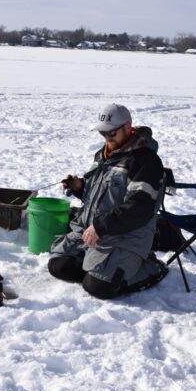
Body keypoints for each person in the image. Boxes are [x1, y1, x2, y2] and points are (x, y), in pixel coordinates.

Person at [48, 103, 168, 299]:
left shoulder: (145, 161)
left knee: (98, 287)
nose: (106, 138)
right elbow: (102, 194)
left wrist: (100, 227)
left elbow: (139, 208)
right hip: (91, 231)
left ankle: (150, 267)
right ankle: (99, 267)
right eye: (103, 133)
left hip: (126, 236)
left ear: (128, 128)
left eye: (111, 133)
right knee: (58, 266)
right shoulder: (103, 154)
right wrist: (80, 187)